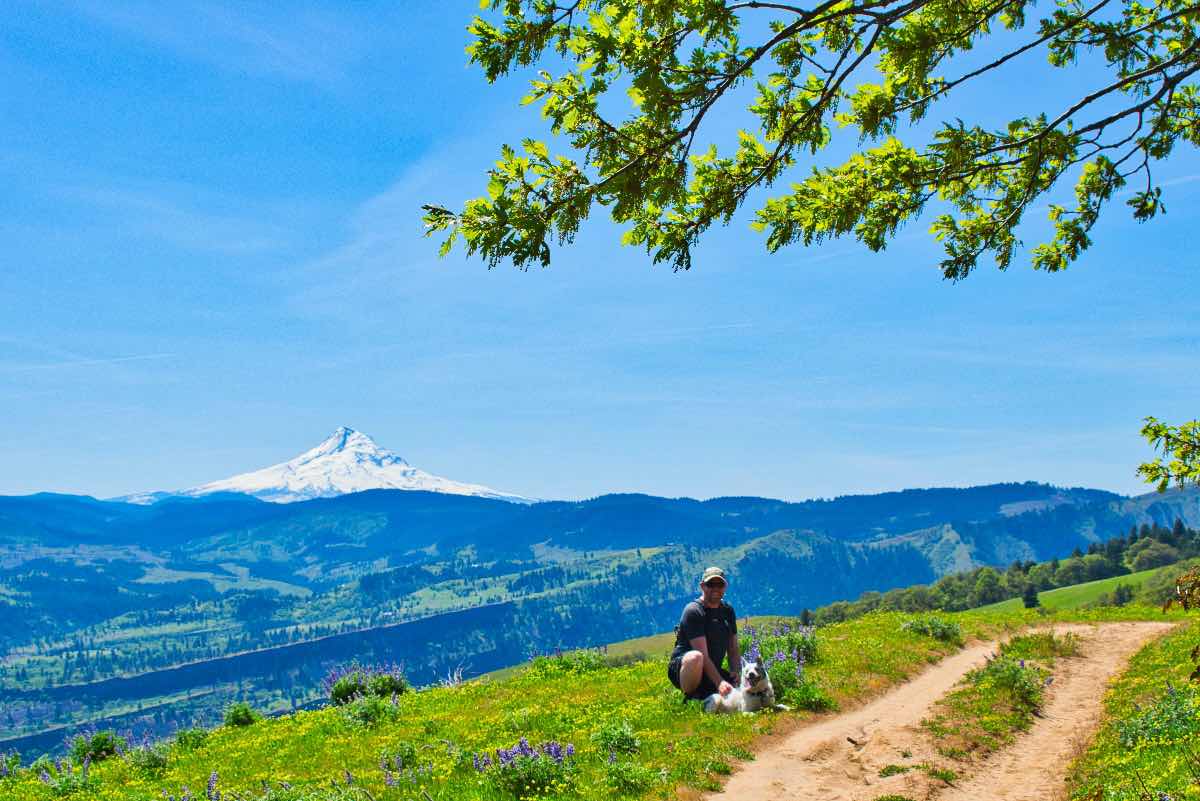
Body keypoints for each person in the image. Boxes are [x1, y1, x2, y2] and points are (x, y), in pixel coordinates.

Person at [667, 566, 741, 701]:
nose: (715, 588)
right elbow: (703, 655)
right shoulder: (693, 611)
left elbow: (733, 649)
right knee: (696, 657)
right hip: (685, 667)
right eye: (710, 584)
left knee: (738, 692)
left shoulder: (728, 611)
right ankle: (691, 697)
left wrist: (735, 672)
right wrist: (719, 682)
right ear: (702, 586)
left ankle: (706, 691)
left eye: (720, 585)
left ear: (725, 587)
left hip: (711, 669)